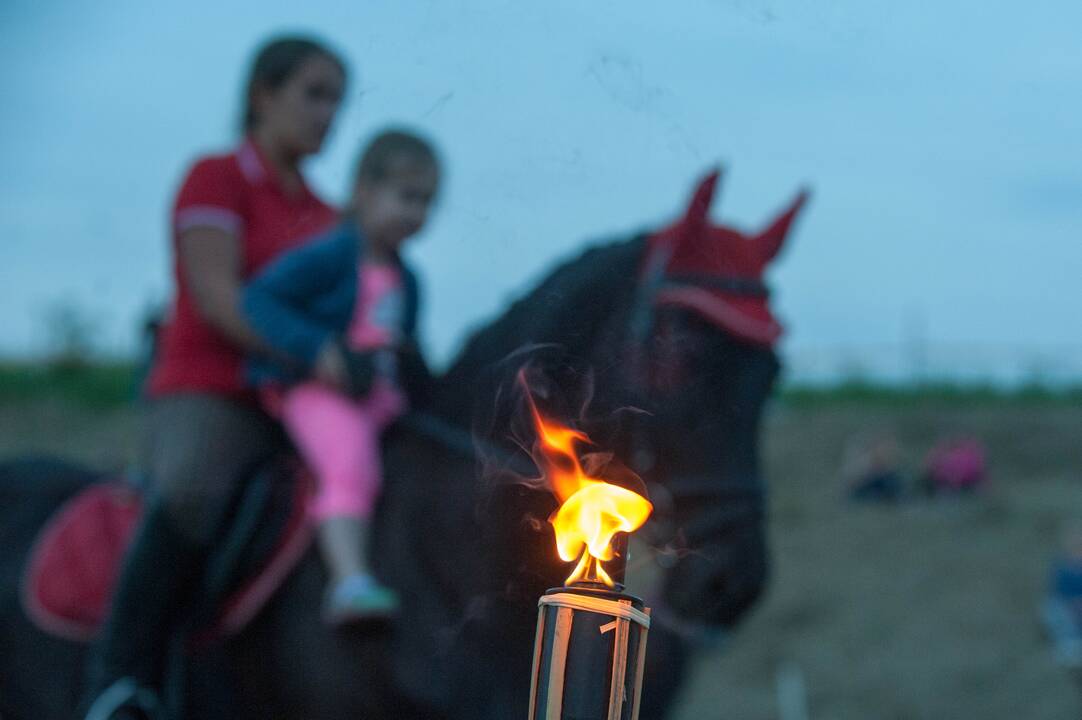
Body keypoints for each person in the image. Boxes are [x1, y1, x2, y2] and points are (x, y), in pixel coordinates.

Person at [85, 36, 347, 720]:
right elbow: (217, 299)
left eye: (337, 101)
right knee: (194, 487)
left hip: (297, 401)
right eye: (314, 95)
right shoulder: (215, 178)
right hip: (209, 389)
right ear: (263, 94)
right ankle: (119, 678)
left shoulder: (329, 215)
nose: (329, 115)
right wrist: (314, 352)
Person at [242, 129, 440, 623]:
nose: (416, 214)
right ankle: (348, 581)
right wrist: (318, 350)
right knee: (349, 463)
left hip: (379, 395)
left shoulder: (408, 278)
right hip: (320, 393)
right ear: (363, 191)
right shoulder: (331, 255)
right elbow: (259, 299)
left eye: (427, 203)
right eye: (406, 197)